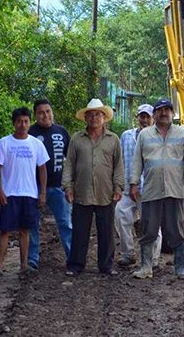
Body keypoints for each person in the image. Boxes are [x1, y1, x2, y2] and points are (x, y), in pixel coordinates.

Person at [130, 99, 184, 280]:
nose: (164, 113)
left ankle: (180, 268)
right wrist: (134, 183)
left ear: (173, 113)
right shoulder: (145, 135)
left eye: (167, 110)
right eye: (160, 110)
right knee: (149, 229)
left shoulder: (183, 134)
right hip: (152, 190)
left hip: (176, 189)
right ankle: (146, 267)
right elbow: (137, 161)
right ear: (154, 114)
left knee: (176, 230)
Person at [63, 99, 124, 277]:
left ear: (104, 117)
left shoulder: (113, 140)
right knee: (80, 231)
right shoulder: (76, 139)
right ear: (85, 118)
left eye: (98, 114)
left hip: (106, 192)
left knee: (106, 231)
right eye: (91, 115)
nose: (94, 118)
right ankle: (75, 265)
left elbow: (118, 166)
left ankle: (106, 266)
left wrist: (118, 187)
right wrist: (68, 186)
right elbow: (69, 165)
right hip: (82, 192)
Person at [0, 108, 49, 278]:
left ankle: (24, 266)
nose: (22, 125)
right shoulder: (4, 143)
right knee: (5, 230)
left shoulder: (36, 144)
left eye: (25, 121)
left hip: (29, 193)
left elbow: (42, 168)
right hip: (9, 194)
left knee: (25, 230)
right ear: (14, 123)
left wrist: (42, 192)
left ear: (29, 122)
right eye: (19, 121)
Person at [115, 104, 162, 267]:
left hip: (149, 189)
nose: (144, 120)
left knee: (152, 224)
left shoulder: (158, 138)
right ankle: (128, 254)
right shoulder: (126, 136)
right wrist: (118, 184)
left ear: (153, 119)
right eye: (142, 116)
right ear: (138, 117)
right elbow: (119, 161)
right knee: (120, 216)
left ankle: (153, 259)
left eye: (148, 117)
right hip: (128, 188)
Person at [27, 99, 72, 270]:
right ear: (35, 115)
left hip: (59, 187)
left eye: (48, 111)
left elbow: (71, 160)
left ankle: (72, 258)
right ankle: (32, 260)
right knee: (33, 224)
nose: (45, 115)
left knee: (66, 223)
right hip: (34, 188)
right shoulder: (30, 133)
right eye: (41, 112)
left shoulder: (62, 132)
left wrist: (70, 185)